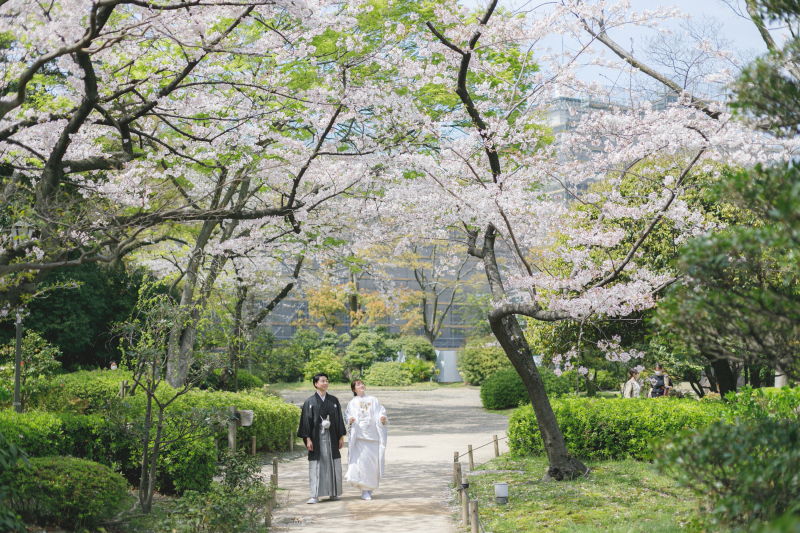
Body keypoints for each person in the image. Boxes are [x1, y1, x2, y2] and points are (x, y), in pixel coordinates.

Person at [297, 373, 346, 504]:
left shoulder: (334, 401)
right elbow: (305, 421)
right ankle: (314, 494)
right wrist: (308, 439)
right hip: (316, 436)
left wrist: (340, 437)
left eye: (327, 381)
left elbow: (339, 420)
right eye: (322, 381)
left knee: (332, 463)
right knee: (316, 465)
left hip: (332, 437)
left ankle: (334, 493)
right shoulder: (310, 401)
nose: (325, 383)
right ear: (316, 384)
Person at [344, 379, 388, 501]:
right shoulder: (352, 402)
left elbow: (379, 412)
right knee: (362, 464)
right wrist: (350, 420)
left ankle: (370, 487)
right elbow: (347, 416)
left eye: (362, 384)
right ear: (354, 389)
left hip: (373, 437)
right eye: (358, 385)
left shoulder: (373, 400)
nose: (361, 386)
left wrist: (382, 418)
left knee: (372, 464)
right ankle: (364, 490)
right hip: (360, 438)